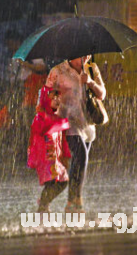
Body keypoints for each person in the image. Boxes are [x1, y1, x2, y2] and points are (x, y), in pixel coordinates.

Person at [45, 55, 106, 213]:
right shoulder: (58, 71)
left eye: (88, 54)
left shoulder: (91, 68)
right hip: (68, 122)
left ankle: (50, 202)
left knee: (77, 164)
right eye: (82, 54)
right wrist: (54, 99)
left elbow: (102, 94)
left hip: (87, 124)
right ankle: (74, 200)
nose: (86, 57)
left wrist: (90, 82)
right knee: (81, 155)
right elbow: (47, 95)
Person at [27, 85, 72, 213]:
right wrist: (60, 123)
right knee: (53, 182)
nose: (57, 100)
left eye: (59, 97)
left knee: (62, 181)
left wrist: (65, 156)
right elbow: (41, 129)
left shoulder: (58, 119)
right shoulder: (39, 118)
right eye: (54, 97)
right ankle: (43, 206)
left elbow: (62, 141)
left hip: (55, 158)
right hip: (45, 159)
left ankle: (44, 205)